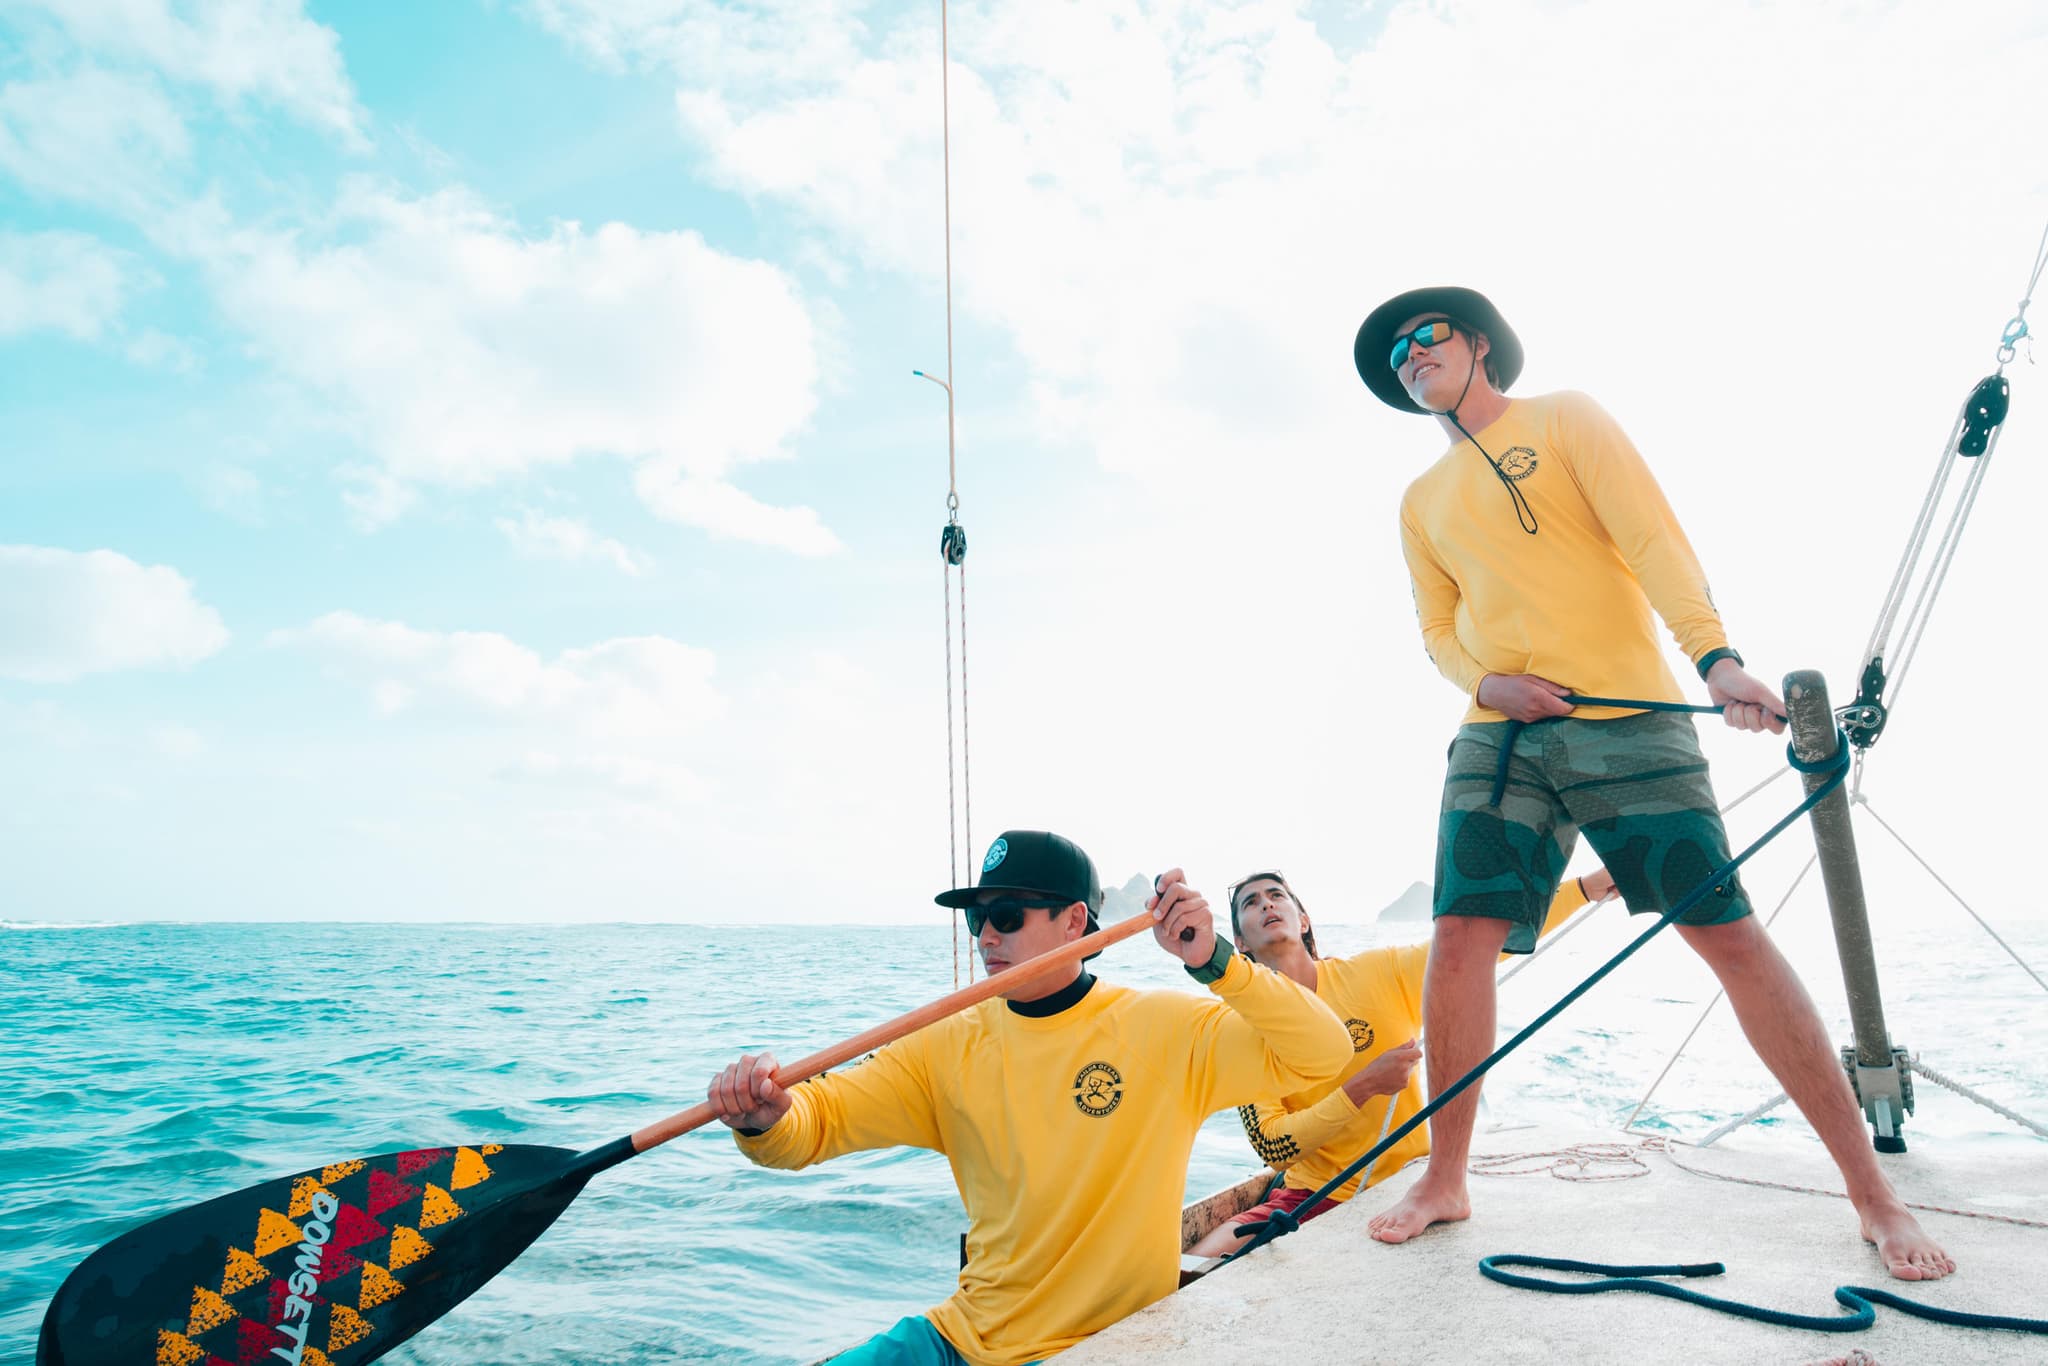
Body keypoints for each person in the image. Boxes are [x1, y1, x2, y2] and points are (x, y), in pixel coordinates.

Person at [1348, 287, 1953, 1280]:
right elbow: (1434, 630)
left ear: (1478, 344)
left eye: (1426, 337)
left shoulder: (1567, 417)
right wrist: (1485, 681)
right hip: (1498, 738)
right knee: (1459, 938)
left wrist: (1714, 660)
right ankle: (1444, 1175)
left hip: (1629, 720)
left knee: (1724, 934)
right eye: (1396, 356)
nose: (1411, 357)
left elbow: (1650, 540)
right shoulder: (1418, 502)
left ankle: (1870, 1194)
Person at [704, 829, 1353, 1365]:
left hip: (1104, 1347)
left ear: (1075, 922)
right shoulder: (941, 1045)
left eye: (1007, 916)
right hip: (958, 1339)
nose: (986, 936)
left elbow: (1324, 1052)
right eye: (976, 918)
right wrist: (766, 1118)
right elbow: (813, 1128)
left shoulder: (1165, 1030)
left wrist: (1213, 958)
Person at [1187, 866, 1614, 1258]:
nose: (1265, 903)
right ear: (1239, 942)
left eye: (1276, 894)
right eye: (1250, 902)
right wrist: (1362, 1087)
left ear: (1303, 920)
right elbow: (1271, 1146)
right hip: (1317, 1193)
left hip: (1411, 1181)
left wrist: (1584, 889)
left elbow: (1475, 944)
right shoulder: (1242, 1026)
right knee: (1201, 1255)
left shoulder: (1380, 973)